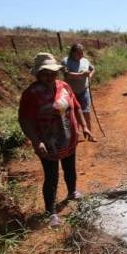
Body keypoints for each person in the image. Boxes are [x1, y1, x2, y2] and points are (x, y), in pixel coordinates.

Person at [18, 53, 94, 227]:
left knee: (70, 167)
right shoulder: (31, 94)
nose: (50, 76)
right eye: (45, 73)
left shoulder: (64, 86)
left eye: (53, 73)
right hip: (47, 142)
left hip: (68, 137)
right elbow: (25, 120)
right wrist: (36, 141)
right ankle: (51, 211)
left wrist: (85, 127)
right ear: (38, 74)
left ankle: (72, 192)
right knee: (51, 176)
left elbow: (76, 107)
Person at [62, 43, 95, 132]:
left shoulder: (85, 61)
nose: (81, 55)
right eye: (79, 53)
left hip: (84, 90)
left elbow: (92, 69)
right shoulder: (66, 61)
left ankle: (89, 132)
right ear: (72, 53)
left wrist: (90, 75)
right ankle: (76, 134)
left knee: (87, 112)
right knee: (73, 114)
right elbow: (67, 75)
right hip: (71, 93)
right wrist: (81, 74)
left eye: (82, 53)